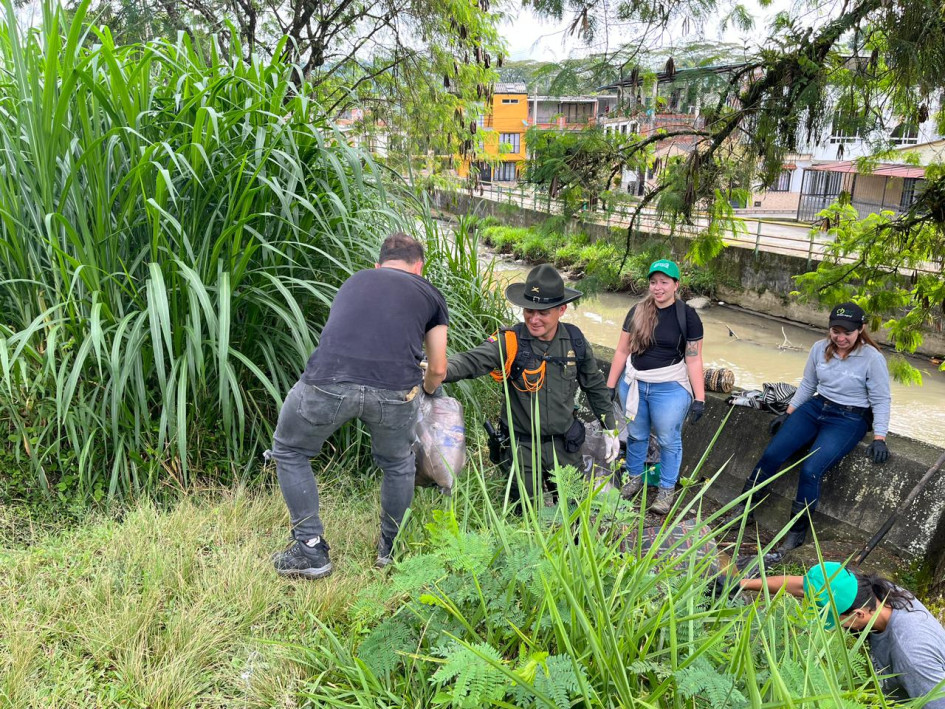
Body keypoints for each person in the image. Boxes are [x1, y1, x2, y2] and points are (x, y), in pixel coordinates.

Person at [268, 232, 449, 579]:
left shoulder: (354, 280)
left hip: (329, 380)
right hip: (396, 391)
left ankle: (310, 550)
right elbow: (438, 368)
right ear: (419, 268)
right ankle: (389, 551)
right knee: (398, 463)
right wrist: (426, 389)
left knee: (289, 450)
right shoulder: (429, 293)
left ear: (378, 265)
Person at [444, 264, 618, 507]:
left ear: (561, 310)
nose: (533, 319)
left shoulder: (575, 340)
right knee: (524, 515)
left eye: (543, 312)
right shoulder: (510, 342)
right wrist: (436, 369)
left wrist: (609, 426)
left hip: (565, 447)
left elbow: (595, 385)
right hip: (522, 449)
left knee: (574, 512)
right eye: (529, 310)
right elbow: (470, 361)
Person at [736, 301, 891, 551]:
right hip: (817, 407)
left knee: (810, 470)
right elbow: (808, 384)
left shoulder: (872, 358)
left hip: (849, 418)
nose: (840, 338)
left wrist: (880, 437)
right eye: (835, 331)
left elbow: (881, 398)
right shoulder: (820, 348)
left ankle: (795, 533)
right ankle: (744, 508)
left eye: (847, 333)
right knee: (773, 453)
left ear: (860, 329)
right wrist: (788, 413)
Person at [739, 562, 945, 707]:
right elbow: (803, 586)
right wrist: (741, 584)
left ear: (859, 614)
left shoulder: (911, 655)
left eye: (833, 619)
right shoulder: (877, 592)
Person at [606, 259, 706, 515]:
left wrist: (700, 397)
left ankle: (665, 491)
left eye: (664, 282)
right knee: (637, 436)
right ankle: (634, 479)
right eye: (653, 282)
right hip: (634, 384)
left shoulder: (688, 316)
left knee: (668, 440)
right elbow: (621, 351)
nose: (658, 288)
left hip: (669, 387)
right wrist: (609, 385)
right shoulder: (636, 311)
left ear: (676, 285)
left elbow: (693, 359)